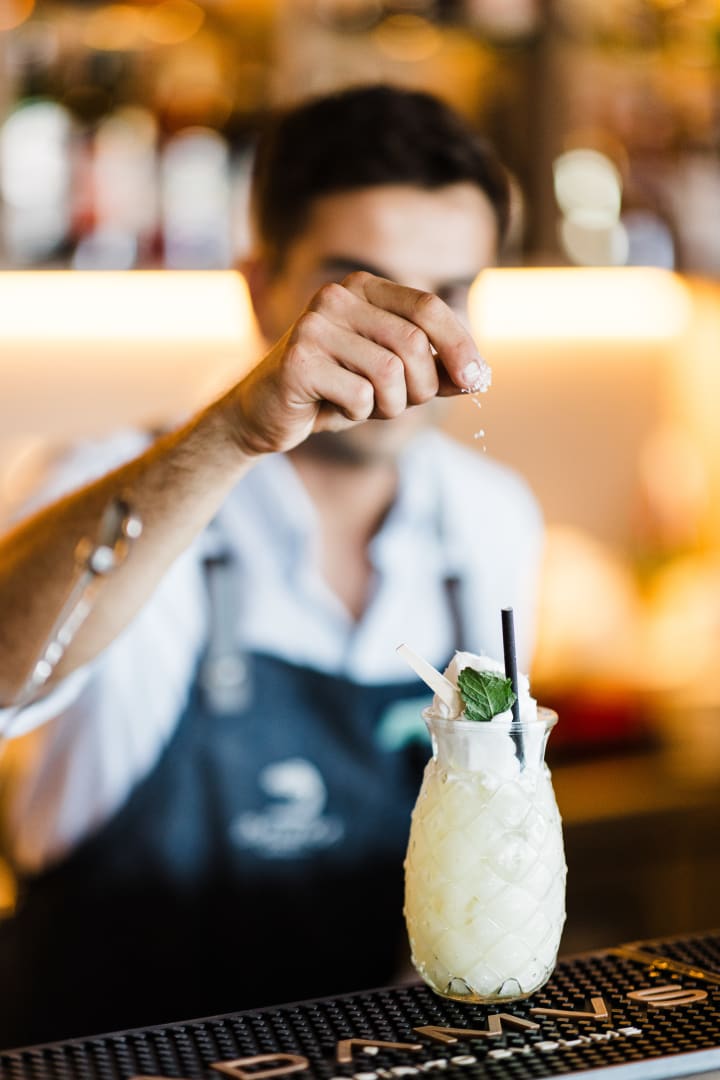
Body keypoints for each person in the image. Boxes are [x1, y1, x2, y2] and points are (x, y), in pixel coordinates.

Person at [0, 84, 543, 1047]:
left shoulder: (490, 521)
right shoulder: (111, 485)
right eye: (364, 292)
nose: (408, 339)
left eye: (447, 294)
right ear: (261, 288)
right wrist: (232, 435)